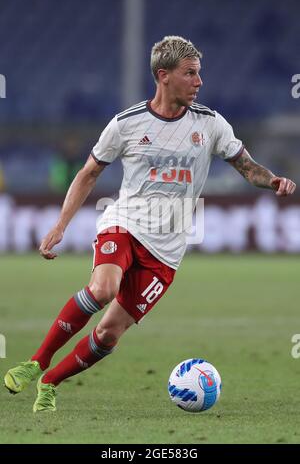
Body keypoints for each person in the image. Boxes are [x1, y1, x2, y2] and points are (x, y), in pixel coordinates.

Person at [4, 36, 296, 412]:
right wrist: (60, 226)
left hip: (168, 249)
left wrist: (271, 180)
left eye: (199, 73)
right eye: (190, 73)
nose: (199, 81)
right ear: (164, 76)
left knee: (109, 334)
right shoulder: (127, 124)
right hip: (125, 223)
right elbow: (88, 173)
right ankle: (36, 362)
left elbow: (247, 167)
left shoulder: (210, 124)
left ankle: (50, 382)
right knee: (103, 288)